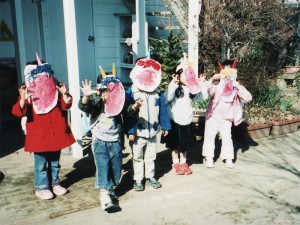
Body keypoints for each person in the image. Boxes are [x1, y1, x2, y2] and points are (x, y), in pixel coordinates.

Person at [11, 53, 75, 200]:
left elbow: (66, 105)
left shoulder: (55, 85)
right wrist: (22, 100)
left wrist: (65, 95)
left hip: (55, 132)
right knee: (40, 165)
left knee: (54, 162)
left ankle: (55, 183)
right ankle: (41, 187)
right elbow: (17, 111)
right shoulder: (27, 90)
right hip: (39, 135)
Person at [78, 64, 125, 211]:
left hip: (115, 141)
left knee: (116, 167)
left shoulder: (118, 103)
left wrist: (134, 107)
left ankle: (110, 187)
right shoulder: (96, 103)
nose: (108, 95)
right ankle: (104, 195)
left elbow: (126, 113)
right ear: (100, 91)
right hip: (99, 141)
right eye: (105, 91)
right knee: (103, 167)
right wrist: (86, 96)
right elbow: (85, 107)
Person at [126, 58, 171, 191]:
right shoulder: (132, 92)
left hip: (152, 131)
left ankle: (150, 176)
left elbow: (163, 110)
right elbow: (127, 113)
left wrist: (166, 126)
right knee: (137, 157)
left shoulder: (157, 93)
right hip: (138, 133)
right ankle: (138, 179)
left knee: (151, 156)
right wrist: (130, 131)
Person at [162, 54, 208, 175]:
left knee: (184, 146)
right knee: (175, 146)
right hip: (175, 121)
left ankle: (183, 163)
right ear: (178, 75)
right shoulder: (175, 88)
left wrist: (202, 83)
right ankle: (176, 163)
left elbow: (202, 97)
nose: (188, 77)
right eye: (184, 75)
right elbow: (166, 98)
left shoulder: (191, 89)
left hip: (187, 120)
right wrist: (173, 84)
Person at [202, 59, 252, 169]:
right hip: (213, 116)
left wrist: (238, 86)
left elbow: (248, 98)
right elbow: (207, 91)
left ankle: (228, 158)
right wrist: (211, 80)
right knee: (210, 136)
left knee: (227, 137)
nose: (227, 71)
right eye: (225, 68)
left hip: (227, 118)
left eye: (230, 68)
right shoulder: (216, 85)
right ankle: (209, 157)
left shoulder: (235, 87)